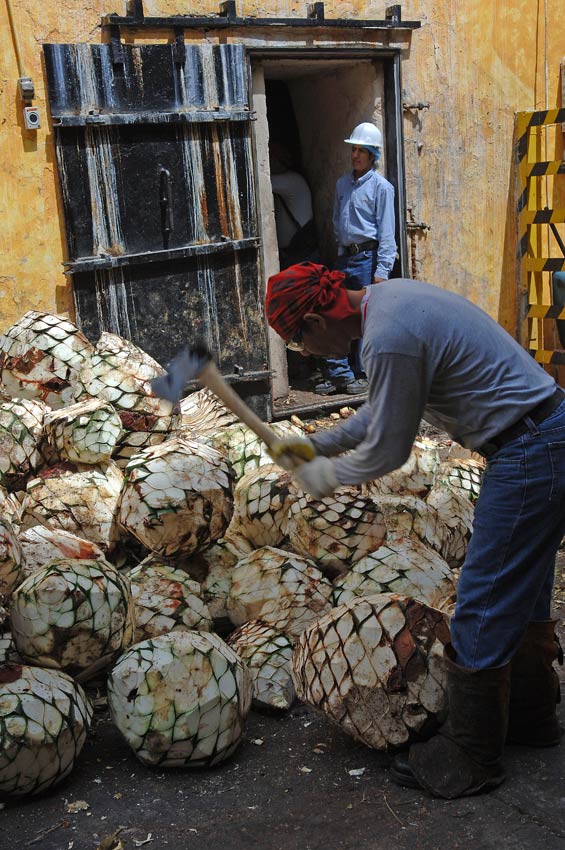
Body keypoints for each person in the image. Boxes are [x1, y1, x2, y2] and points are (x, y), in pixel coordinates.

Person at [264, 261, 564, 800]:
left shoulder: (387, 337)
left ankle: (471, 753)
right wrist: (315, 445)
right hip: (542, 433)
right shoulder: (391, 303)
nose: (305, 354)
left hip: (529, 447)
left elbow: (388, 448)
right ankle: (531, 715)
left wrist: (326, 476)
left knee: (484, 596)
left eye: (297, 342)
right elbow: (378, 414)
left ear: (315, 320)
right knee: (524, 589)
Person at [317, 122, 397, 396]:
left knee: (363, 318)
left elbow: (387, 233)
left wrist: (382, 271)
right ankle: (340, 374)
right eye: (354, 149)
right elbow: (337, 221)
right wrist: (341, 252)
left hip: (367, 258)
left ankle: (361, 375)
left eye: (362, 151)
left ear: (373, 155)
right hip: (345, 258)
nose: (355, 155)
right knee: (335, 312)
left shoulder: (381, 188)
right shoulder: (343, 184)